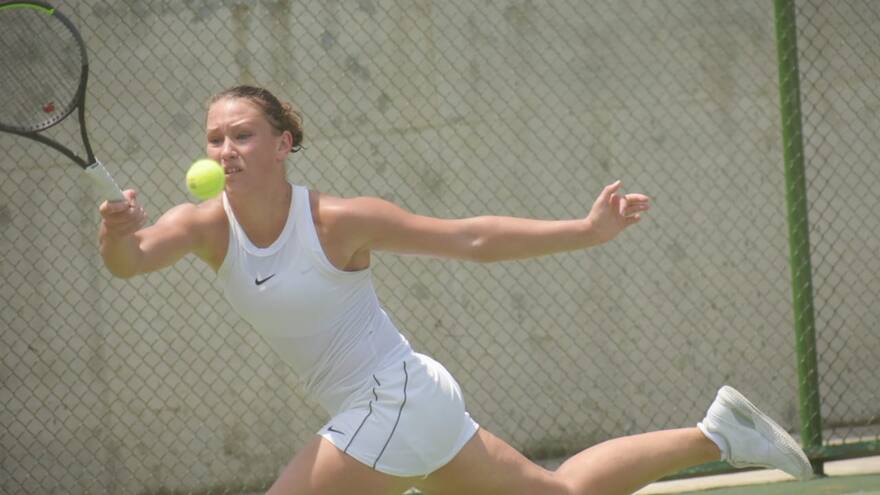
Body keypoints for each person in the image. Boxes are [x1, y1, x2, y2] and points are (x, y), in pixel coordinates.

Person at [98, 85, 812, 495]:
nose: (226, 150)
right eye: (216, 138)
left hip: (397, 396)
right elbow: (130, 260)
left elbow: (472, 238)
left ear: (283, 143)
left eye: (244, 135)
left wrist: (586, 230)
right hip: (400, 402)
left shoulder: (338, 221)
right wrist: (115, 230)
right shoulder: (203, 227)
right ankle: (718, 432)